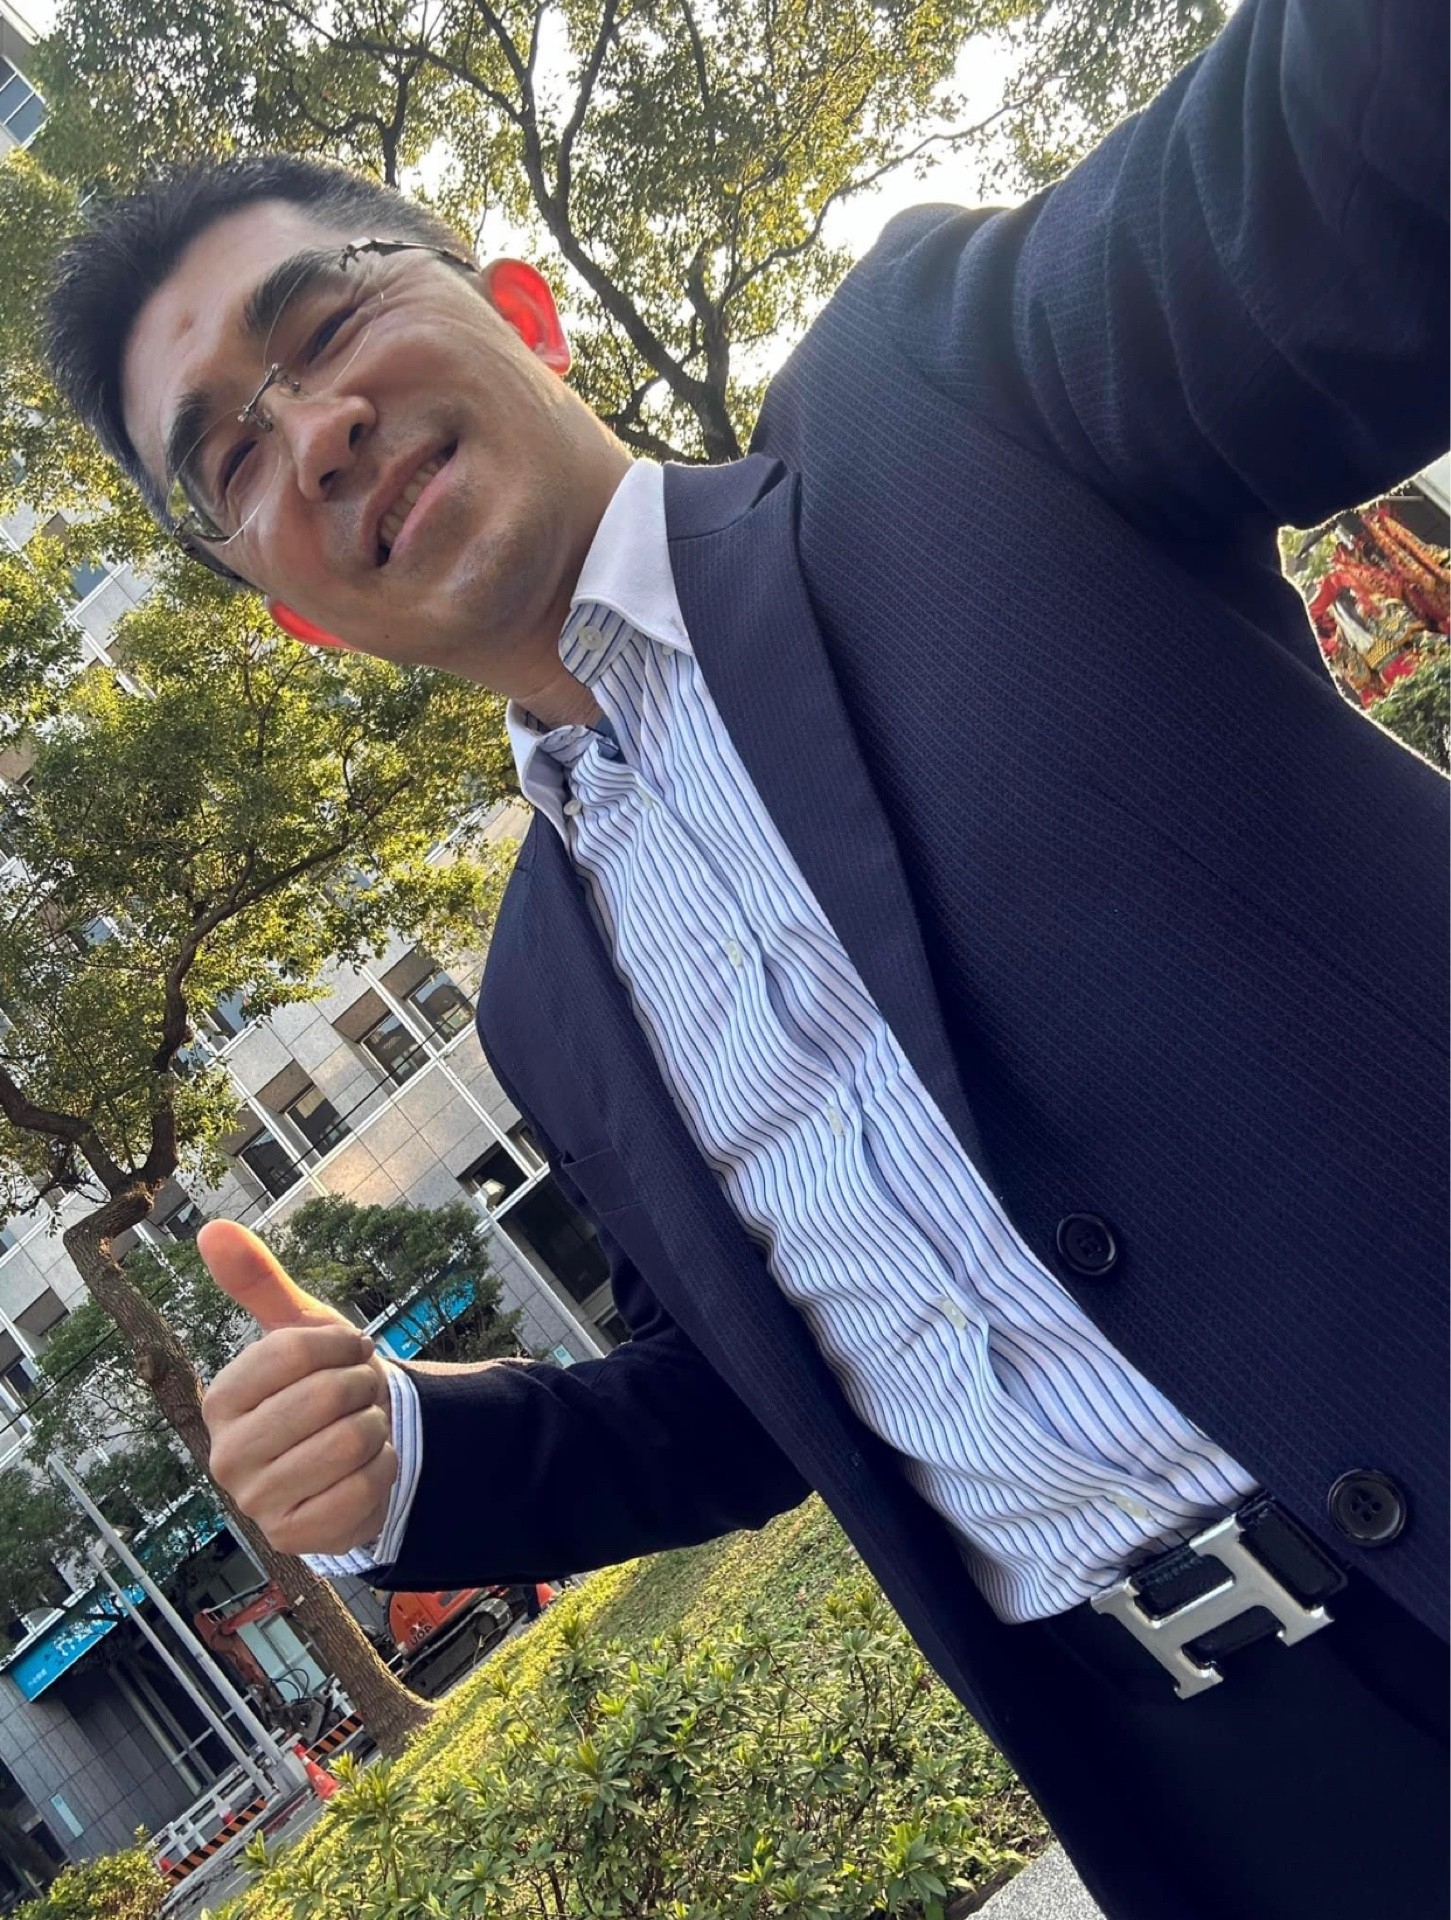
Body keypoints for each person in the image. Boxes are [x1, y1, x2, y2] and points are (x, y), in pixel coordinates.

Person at [43, 0, 1447, 1910]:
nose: (315, 429)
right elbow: (739, 1399)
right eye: (230, 456)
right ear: (287, 610)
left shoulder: (940, 405)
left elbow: (1332, 161)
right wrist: (410, 1460)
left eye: (328, 323)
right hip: (1255, 1802)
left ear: (523, 313)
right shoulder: (540, 993)